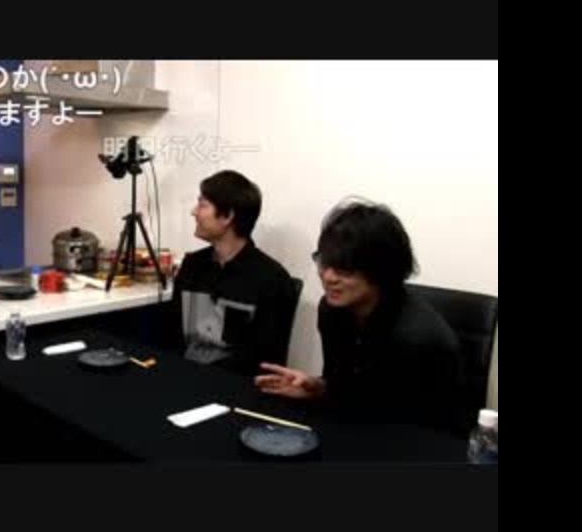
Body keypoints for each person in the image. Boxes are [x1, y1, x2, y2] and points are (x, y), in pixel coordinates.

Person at [254, 199, 464, 429]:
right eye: (324, 261)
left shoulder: (418, 338)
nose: (328, 276)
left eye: (344, 267)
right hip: (353, 429)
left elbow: (425, 425)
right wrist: (318, 388)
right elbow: (348, 389)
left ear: (381, 269)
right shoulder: (332, 311)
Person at [167, 170, 298, 376]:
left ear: (227, 216)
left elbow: (266, 361)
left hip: (234, 385)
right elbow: (172, 335)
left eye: (202, 205)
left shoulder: (271, 279)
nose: (194, 212)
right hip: (183, 376)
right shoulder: (192, 265)